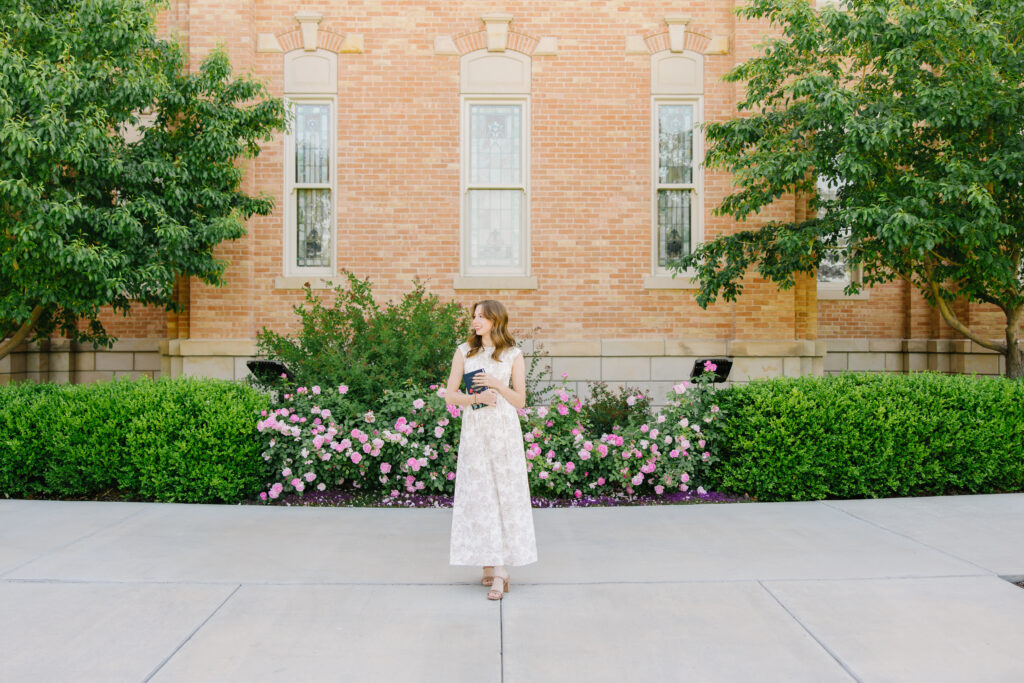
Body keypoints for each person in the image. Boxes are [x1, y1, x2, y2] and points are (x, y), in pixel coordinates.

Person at [445, 299, 538, 600]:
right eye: (474, 316)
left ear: (496, 321)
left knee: (502, 494)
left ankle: (501, 572)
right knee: (480, 493)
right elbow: (449, 394)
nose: (476, 321)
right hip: (475, 432)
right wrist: (474, 400)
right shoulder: (464, 351)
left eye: (482, 317)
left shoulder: (513, 354)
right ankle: (488, 561)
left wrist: (498, 385)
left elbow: (520, 401)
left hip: (503, 433)